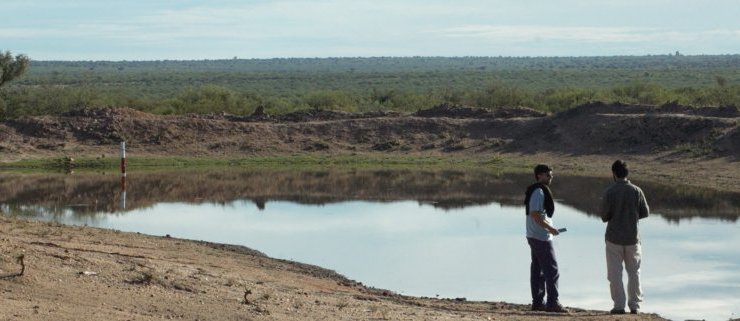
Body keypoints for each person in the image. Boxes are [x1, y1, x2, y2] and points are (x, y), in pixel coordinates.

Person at [600, 160, 650, 315]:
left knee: (614, 274)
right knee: (634, 272)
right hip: (632, 238)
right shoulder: (636, 190)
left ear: (614, 173)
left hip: (614, 238)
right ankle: (635, 306)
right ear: (627, 173)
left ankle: (619, 306)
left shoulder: (610, 191)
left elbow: (604, 216)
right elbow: (645, 212)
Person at [524, 164, 566, 313]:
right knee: (551, 270)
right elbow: (535, 214)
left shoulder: (537, 190)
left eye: (551, 175)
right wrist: (550, 229)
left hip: (534, 235)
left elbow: (537, 214)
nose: (551, 177)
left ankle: (538, 302)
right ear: (539, 176)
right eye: (548, 175)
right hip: (540, 237)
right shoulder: (539, 192)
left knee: (538, 270)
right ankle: (553, 303)